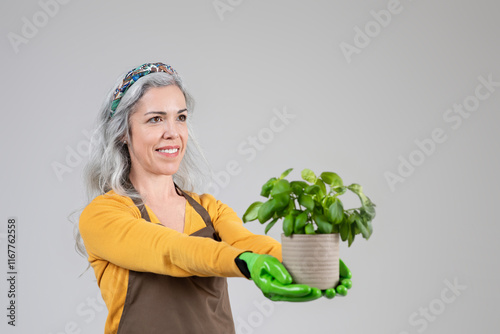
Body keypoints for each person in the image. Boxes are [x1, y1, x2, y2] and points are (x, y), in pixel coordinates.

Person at [76, 62, 352, 334]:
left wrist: (305, 263)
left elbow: (248, 242)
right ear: (124, 132)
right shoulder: (102, 215)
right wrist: (245, 263)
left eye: (180, 117)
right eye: (155, 119)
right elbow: (171, 250)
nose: (173, 132)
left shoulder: (209, 209)